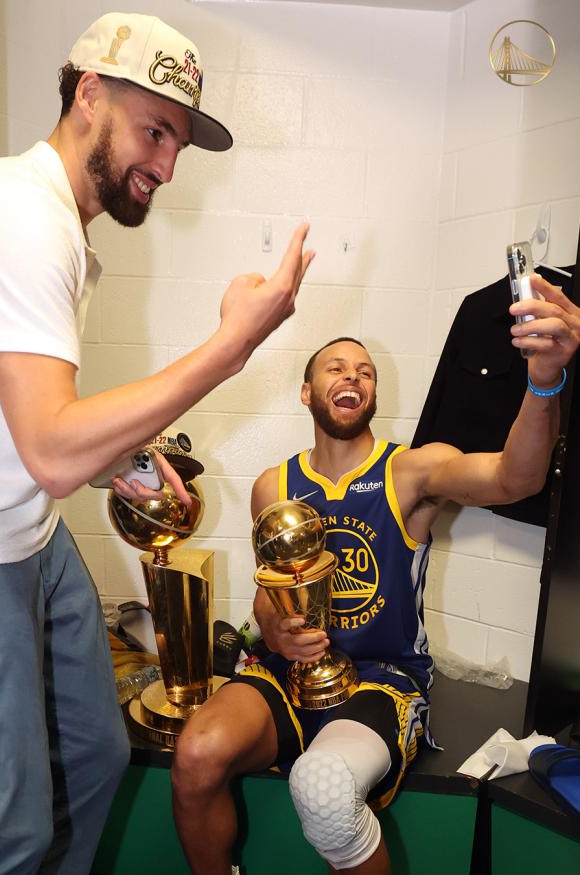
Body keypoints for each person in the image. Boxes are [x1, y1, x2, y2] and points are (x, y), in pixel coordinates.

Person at [0, 12, 313, 874]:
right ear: (89, 96)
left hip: (27, 537)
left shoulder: (54, 225)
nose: (167, 165)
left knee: (92, 757)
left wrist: (120, 460)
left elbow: (21, 418)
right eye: (155, 131)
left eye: (178, 143)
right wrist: (232, 345)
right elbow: (51, 448)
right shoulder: (16, 214)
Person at [171, 275, 580, 875]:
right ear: (307, 392)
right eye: (335, 368)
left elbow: (517, 479)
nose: (353, 377)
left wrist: (543, 381)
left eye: (365, 372)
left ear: (372, 395)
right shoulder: (273, 486)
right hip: (285, 674)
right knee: (195, 756)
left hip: (381, 680)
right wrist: (277, 631)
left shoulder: (412, 472)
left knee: (326, 788)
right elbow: (267, 595)